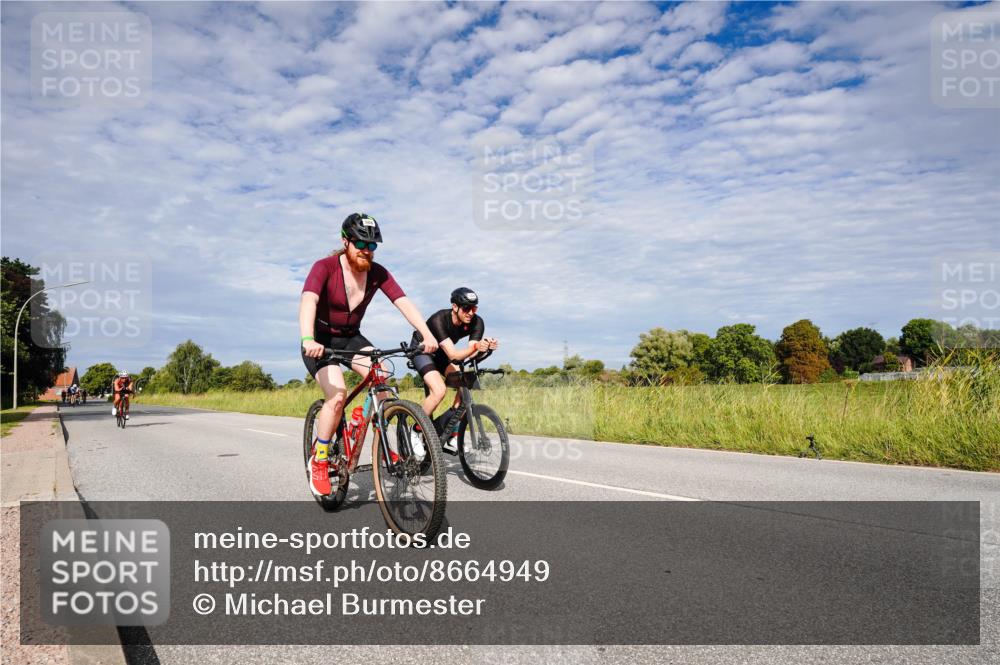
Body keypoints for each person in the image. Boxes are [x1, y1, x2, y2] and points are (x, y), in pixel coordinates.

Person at [299, 213, 437, 496]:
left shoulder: (377, 272)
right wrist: (307, 338)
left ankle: (377, 441)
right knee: (336, 398)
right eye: (361, 242)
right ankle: (320, 460)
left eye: (372, 245)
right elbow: (308, 301)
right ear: (345, 241)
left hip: (351, 338)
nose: (366, 249)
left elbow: (403, 302)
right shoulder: (324, 267)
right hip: (322, 341)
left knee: (383, 377)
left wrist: (427, 334)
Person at [410, 287, 499, 452]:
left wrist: (485, 348)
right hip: (423, 351)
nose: (471, 313)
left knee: (465, 384)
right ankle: (416, 430)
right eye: (466, 308)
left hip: (442, 355)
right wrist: (478, 347)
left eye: (474, 308)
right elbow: (453, 355)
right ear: (455, 307)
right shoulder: (439, 319)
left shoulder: (477, 322)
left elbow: (472, 352)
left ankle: (451, 431)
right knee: (439, 390)